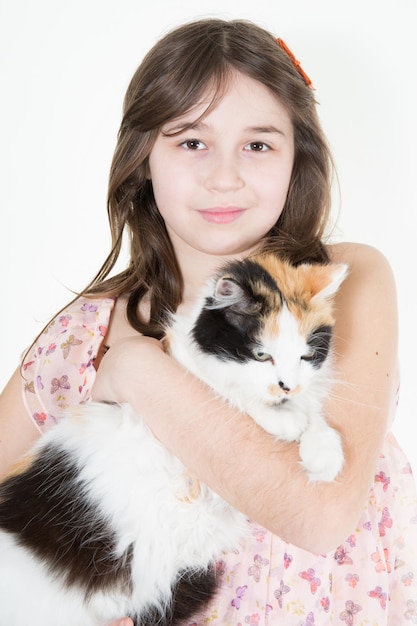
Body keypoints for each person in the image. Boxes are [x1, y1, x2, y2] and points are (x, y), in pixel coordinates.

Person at [1, 17, 416, 625]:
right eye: (191, 141)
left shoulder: (340, 284)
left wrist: (138, 372)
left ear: (295, 157)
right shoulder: (86, 332)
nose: (225, 176)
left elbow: (319, 516)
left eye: (258, 143)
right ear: (144, 157)